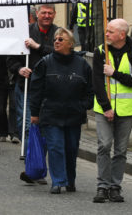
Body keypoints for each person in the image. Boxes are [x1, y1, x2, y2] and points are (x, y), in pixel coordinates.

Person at [28, 28, 93, 194]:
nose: (56, 41)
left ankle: (70, 180)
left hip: (74, 114)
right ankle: (58, 181)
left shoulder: (82, 64)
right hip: (51, 113)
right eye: (55, 39)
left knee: (71, 149)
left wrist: (84, 104)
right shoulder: (45, 63)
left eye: (61, 39)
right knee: (56, 147)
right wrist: (34, 113)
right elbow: (36, 89)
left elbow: (90, 89)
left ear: (70, 44)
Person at [92, 19, 132, 203]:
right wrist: (106, 107)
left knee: (121, 150)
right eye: (107, 31)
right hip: (103, 109)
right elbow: (97, 83)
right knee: (104, 145)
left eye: (110, 31)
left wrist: (114, 73)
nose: (106, 34)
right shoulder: (100, 52)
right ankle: (102, 186)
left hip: (125, 110)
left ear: (122, 35)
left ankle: (115, 187)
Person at [7, 4, 59, 153]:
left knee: (46, 123)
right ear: (37, 13)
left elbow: (60, 54)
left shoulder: (59, 33)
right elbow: (11, 59)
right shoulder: (25, 32)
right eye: (44, 13)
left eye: (50, 13)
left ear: (54, 14)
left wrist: (38, 46)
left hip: (51, 88)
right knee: (28, 123)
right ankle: (33, 156)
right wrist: (19, 69)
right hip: (28, 86)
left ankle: (41, 151)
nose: (47, 16)